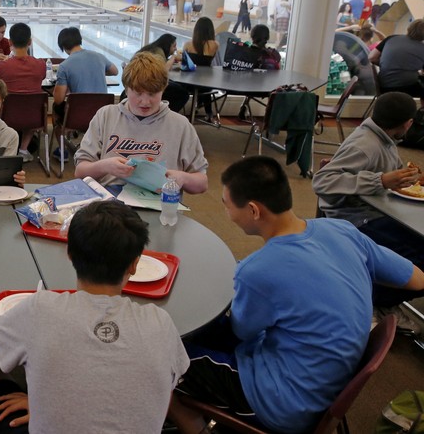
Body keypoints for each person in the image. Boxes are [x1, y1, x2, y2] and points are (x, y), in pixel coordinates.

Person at [168, 156, 424, 434]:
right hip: (324, 385)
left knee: (157, 357)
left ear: (253, 210)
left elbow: (240, 332)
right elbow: (416, 278)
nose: (227, 213)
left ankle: (197, 427)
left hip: (280, 402)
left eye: (227, 205)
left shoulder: (258, 270)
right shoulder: (342, 230)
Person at [0, 200, 189, 433]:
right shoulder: (161, 323)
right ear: (134, 265)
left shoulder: (41, 310)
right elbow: (154, 391)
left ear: (69, 253)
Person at [312, 92, 424, 311]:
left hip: (377, 210)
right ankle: (371, 302)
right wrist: (380, 180)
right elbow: (322, 180)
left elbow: (385, 172)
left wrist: (407, 178)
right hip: (356, 219)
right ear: (408, 123)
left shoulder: (384, 137)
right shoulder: (365, 145)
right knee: (416, 259)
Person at [74, 52, 208, 194]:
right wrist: (104, 166)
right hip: (110, 199)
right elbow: (80, 172)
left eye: (152, 94)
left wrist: (183, 178)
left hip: (159, 201)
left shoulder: (180, 125)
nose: (145, 102)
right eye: (138, 93)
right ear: (126, 89)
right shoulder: (106, 115)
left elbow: (202, 184)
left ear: (163, 89)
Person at [52, 27, 118, 162]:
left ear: (63, 46)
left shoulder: (64, 66)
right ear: (79, 40)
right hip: (102, 115)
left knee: (55, 108)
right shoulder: (99, 56)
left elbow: (58, 99)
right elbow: (115, 71)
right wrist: (98, 71)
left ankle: (62, 151)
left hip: (77, 116)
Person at [0, 22, 46, 162]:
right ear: (30, 42)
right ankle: (23, 149)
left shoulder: (2, 66)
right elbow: (41, 79)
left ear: (10, 42)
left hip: (8, 117)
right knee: (31, 105)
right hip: (34, 117)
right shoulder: (41, 65)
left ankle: (5, 147)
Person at [370, 19, 424, 101]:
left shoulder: (391, 38)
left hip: (383, 87)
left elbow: (371, 57)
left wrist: (388, 65)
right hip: (407, 88)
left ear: (409, 28)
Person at [137, 33, 191, 113]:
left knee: (177, 87)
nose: (176, 49)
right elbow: (163, 71)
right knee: (183, 93)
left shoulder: (152, 49)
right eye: (174, 46)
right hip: (148, 84)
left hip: (142, 81)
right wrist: (173, 58)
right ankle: (166, 113)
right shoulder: (158, 52)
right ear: (167, 45)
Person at [183, 18, 221, 121]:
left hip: (189, 83)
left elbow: (184, 63)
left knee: (198, 79)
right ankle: (208, 113)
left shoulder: (188, 45)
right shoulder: (214, 45)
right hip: (206, 85)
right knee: (204, 80)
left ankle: (196, 107)